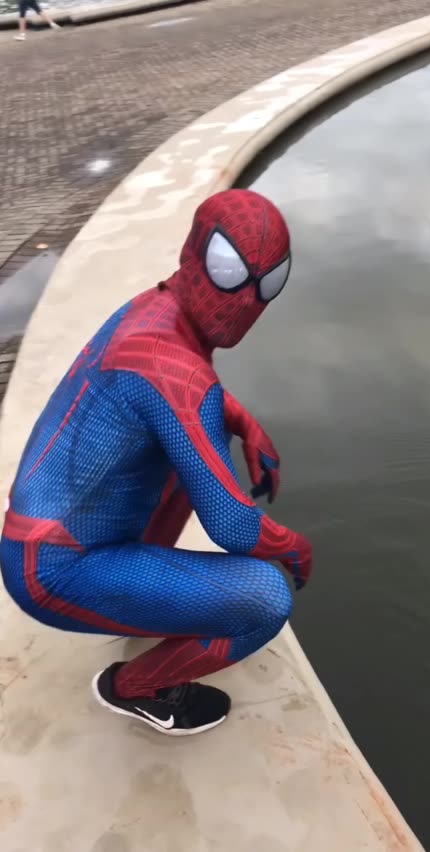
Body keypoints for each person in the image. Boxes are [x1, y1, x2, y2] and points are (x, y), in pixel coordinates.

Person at [0, 189, 312, 737]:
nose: (246, 302)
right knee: (265, 598)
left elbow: (179, 392)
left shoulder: (151, 310)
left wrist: (244, 422)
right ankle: (134, 689)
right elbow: (234, 527)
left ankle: (141, 592)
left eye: (268, 284)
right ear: (192, 255)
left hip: (49, 537)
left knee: (202, 438)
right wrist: (295, 546)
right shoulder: (176, 371)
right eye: (229, 273)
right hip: (54, 569)